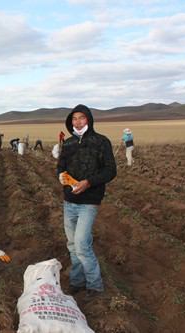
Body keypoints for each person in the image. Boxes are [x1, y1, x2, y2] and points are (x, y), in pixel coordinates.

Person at [57, 104, 116, 299]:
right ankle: (77, 281)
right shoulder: (68, 144)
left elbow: (110, 170)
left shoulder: (101, 142)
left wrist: (88, 182)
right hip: (70, 200)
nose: (78, 122)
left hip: (89, 201)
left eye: (82, 118)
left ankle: (95, 285)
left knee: (82, 244)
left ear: (89, 119)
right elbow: (61, 166)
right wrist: (61, 175)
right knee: (72, 244)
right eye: (74, 119)